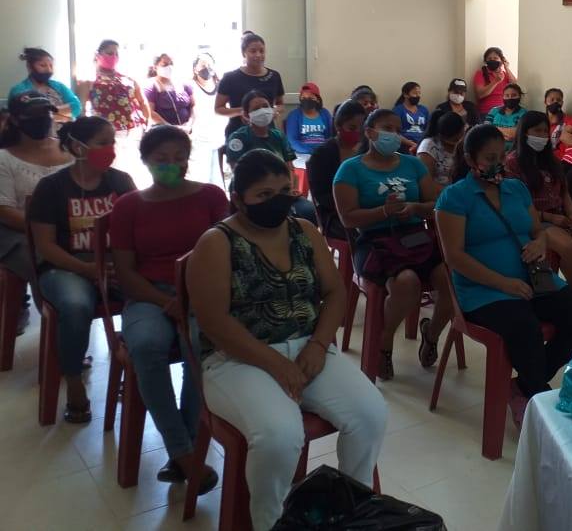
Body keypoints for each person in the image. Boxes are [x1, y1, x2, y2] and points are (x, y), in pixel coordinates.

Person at [187, 150, 387, 531]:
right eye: (264, 195)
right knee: (280, 436)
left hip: (308, 348)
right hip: (237, 359)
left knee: (370, 414)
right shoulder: (217, 243)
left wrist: (318, 345)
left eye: (284, 190)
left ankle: (351, 509)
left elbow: (335, 292)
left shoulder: (304, 231)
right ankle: (271, 523)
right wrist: (276, 363)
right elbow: (214, 322)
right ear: (238, 198)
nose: (277, 201)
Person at [436, 124, 572, 427]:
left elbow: (536, 229)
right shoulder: (454, 198)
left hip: (533, 278)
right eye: (490, 158)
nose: (498, 164)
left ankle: (524, 386)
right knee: (525, 329)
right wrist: (504, 283)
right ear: (470, 159)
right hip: (484, 290)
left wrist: (540, 242)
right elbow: (454, 257)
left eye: (502, 156)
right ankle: (539, 399)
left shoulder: (516, 189)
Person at [109, 126, 226, 491]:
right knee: (146, 345)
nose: (171, 165)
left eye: (179, 158)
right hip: (148, 295)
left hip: (201, 291)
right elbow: (125, 273)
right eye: (161, 159)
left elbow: (226, 255)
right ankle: (184, 452)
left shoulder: (211, 196)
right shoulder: (128, 206)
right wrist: (166, 302)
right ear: (145, 161)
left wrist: (192, 297)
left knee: (201, 344)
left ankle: (183, 451)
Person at [28, 116, 135, 423]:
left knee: (147, 295)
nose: (110, 149)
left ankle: (134, 369)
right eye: (103, 143)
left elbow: (137, 229)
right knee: (76, 306)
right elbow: (46, 246)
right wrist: (87, 269)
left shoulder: (121, 182)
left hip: (113, 265)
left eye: (112, 142)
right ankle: (74, 380)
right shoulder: (52, 188)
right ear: (78, 147)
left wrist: (122, 268)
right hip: (65, 267)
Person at [333, 109, 453, 380]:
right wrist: (383, 212)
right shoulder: (350, 169)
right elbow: (347, 218)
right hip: (374, 240)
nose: (394, 135)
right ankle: (384, 341)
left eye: (397, 130)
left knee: (451, 279)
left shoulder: (413, 165)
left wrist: (415, 208)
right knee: (406, 282)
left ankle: (431, 333)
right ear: (370, 132)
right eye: (387, 129)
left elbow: (436, 203)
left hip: (416, 236)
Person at [506, 112, 572, 295]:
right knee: (571, 249)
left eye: (545, 131)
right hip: (536, 221)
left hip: (561, 217)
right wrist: (551, 218)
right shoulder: (513, 163)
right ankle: (570, 292)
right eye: (537, 131)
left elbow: (564, 192)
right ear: (524, 132)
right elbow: (516, 205)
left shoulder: (552, 160)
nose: (543, 135)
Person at [0, 92, 74, 335]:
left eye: (47, 112)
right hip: (20, 234)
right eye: (34, 114)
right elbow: (5, 211)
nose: (43, 118)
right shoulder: (4, 159)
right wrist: (48, 231)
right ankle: (60, 331)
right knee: (48, 262)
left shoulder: (70, 150)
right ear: (15, 119)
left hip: (72, 229)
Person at [226, 91, 317, 224]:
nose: (262, 111)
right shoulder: (239, 138)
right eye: (256, 109)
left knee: (308, 211)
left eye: (265, 106)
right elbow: (238, 173)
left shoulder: (278, 136)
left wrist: (290, 190)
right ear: (246, 115)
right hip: (254, 194)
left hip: (281, 191)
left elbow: (290, 168)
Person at [81, 40, 149, 169]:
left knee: (132, 169)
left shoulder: (128, 79)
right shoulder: (89, 81)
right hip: (105, 135)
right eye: (109, 53)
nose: (113, 57)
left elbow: (142, 102)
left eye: (116, 54)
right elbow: (81, 110)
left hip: (133, 132)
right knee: (110, 170)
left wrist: (147, 124)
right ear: (98, 55)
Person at [308, 100, 365, 236]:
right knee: (366, 232)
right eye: (352, 128)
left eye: (362, 128)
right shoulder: (323, 153)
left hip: (367, 207)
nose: (357, 132)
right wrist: (352, 205)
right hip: (335, 214)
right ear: (338, 126)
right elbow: (321, 194)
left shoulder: (366, 149)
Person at [214, 32, 285, 138]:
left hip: (267, 134)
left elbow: (281, 105)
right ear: (244, 53)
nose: (258, 55)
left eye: (262, 51)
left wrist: (273, 111)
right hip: (238, 134)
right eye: (253, 51)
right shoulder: (230, 78)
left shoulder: (274, 76)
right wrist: (244, 111)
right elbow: (218, 109)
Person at [9, 47, 81, 124]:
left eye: (51, 66)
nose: (49, 70)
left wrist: (48, 114)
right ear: (29, 67)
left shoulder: (59, 86)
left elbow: (76, 107)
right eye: (43, 65)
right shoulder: (19, 90)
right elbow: (24, 115)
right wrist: (63, 114)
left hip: (64, 130)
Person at [417, 110, 465, 196]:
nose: (457, 143)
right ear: (441, 135)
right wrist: (453, 193)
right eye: (454, 140)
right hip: (435, 195)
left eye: (460, 138)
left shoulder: (461, 143)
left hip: (452, 191)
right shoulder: (428, 147)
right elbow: (426, 184)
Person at [145, 54, 194, 130]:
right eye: (165, 64)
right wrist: (172, 129)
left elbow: (193, 105)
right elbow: (150, 112)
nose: (169, 67)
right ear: (155, 67)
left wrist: (190, 124)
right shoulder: (151, 86)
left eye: (171, 63)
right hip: (164, 132)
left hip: (186, 130)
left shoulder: (184, 83)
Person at [285, 82, 333, 156]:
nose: (307, 101)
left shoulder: (325, 113)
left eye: (311, 98)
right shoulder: (294, 115)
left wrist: (324, 150)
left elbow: (330, 136)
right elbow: (292, 141)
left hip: (323, 152)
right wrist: (311, 151)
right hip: (302, 153)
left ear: (318, 99)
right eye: (303, 98)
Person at [473, 47, 517, 116]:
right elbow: (480, 95)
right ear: (486, 61)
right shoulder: (480, 73)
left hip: (505, 111)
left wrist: (506, 68)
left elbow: (515, 86)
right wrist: (495, 81)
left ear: (501, 61)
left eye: (495, 58)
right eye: (489, 59)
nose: (492, 60)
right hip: (487, 112)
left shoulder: (505, 74)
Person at [485, 83, 527, 151]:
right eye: (507, 95)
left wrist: (494, 129)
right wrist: (508, 132)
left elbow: (515, 134)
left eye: (514, 95)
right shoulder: (494, 111)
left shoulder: (524, 113)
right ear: (503, 97)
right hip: (493, 148)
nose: (510, 98)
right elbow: (486, 129)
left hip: (514, 150)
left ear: (519, 96)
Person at [392, 81, 429, 150]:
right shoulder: (398, 110)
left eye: (419, 93)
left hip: (422, 145)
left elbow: (428, 130)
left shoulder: (424, 110)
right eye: (414, 93)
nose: (417, 96)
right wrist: (411, 144)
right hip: (405, 145)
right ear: (405, 95)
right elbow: (394, 133)